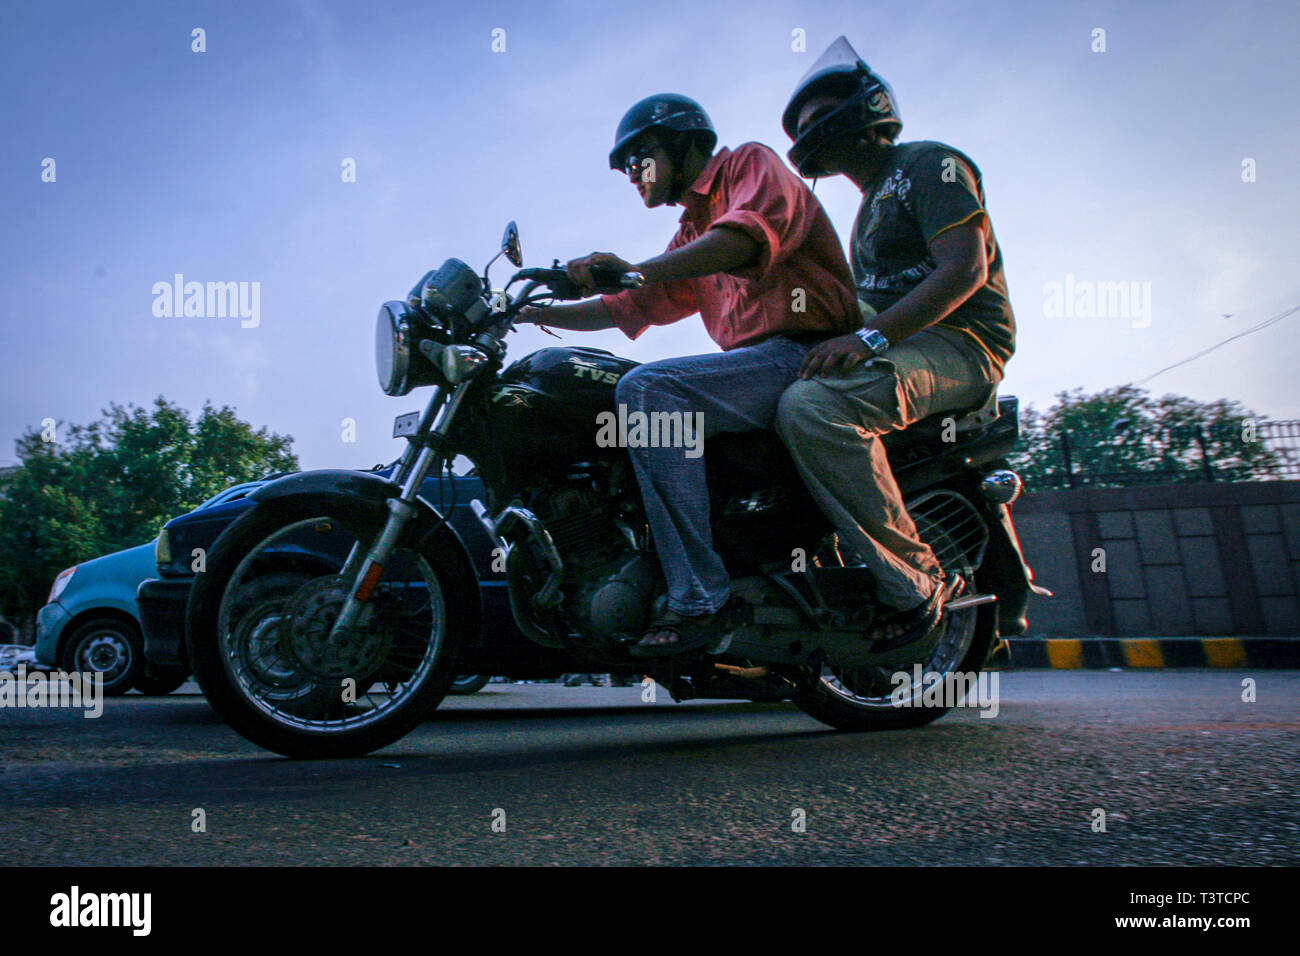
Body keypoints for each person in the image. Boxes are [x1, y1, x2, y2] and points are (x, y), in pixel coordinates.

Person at [518, 93, 858, 656]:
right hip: (750, 369)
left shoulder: (748, 165)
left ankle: (701, 599)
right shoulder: (690, 233)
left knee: (649, 389)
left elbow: (742, 240)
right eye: (627, 167)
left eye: (642, 156)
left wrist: (629, 270)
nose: (634, 174)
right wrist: (536, 315)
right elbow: (631, 305)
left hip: (804, 353)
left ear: (688, 143)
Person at [775, 37, 1017, 648]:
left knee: (814, 406)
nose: (810, 131)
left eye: (819, 116)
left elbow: (964, 270)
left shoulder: (930, 164)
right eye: (803, 126)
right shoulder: (864, 213)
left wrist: (871, 336)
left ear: (864, 112)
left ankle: (915, 584)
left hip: (963, 344)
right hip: (903, 344)